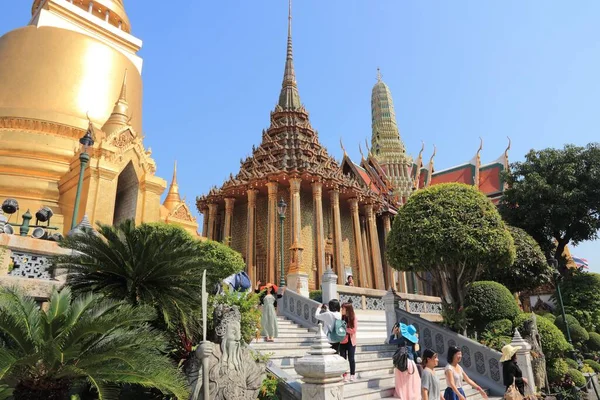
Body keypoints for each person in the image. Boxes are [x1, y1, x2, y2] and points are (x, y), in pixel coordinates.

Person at [390, 322, 421, 400]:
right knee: (410, 381)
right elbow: (414, 353)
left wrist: (393, 334)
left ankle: (404, 395)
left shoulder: (403, 339)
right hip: (411, 363)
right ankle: (410, 395)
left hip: (403, 362)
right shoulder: (413, 342)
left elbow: (391, 342)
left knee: (402, 381)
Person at [340, 302, 357, 382]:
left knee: (351, 358)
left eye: (343, 308)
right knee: (343, 359)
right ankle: (344, 375)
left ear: (347, 309)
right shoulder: (341, 318)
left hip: (351, 341)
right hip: (342, 341)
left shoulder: (353, 318)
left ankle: (352, 374)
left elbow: (353, 330)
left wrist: (344, 329)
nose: (341, 310)